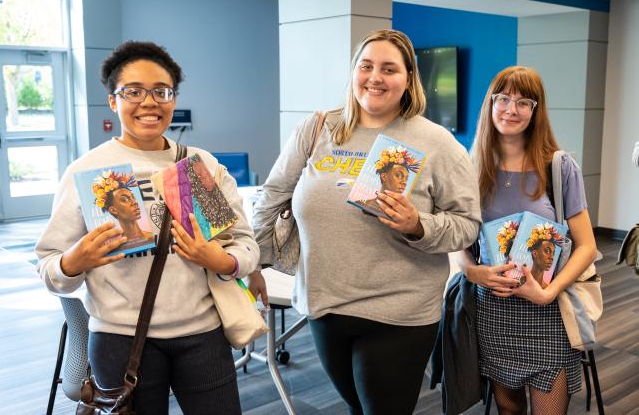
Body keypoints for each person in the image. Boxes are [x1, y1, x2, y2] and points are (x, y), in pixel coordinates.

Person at [250, 29, 481, 414]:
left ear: (408, 79)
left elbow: (466, 224)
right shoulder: (319, 128)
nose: (375, 77)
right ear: (354, 71)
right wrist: (254, 262)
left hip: (398, 311)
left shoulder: (436, 142)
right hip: (325, 305)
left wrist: (417, 225)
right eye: (366, 66)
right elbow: (271, 196)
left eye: (389, 69)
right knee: (358, 408)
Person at [36, 41, 259, 415]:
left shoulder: (196, 165)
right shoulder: (88, 174)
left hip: (202, 334)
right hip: (120, 339)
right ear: (113, 101)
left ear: (173, 98)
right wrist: (74, 261)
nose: (149, 102)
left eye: (161, 91)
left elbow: (245, 247)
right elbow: (49, 267)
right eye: (133, 92)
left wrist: (220, 260)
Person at [457, 66, 597, 414]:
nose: (511, 109)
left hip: (549, 311)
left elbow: (588, 246)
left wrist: (548, 292)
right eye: (502, 99)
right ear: (490, 104)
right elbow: (458, 240)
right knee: (509, 411)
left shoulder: (559, 166)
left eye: (523, 102)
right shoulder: (471, 166)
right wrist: (471, 271)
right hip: (493, 310)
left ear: (536, 111)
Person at [94, 170, 154, 248]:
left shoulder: (151, 238)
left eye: (133, 197)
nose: (134, 202)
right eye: (124, 199)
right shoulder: (114, 247)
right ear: (113, 210)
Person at [355, 145, 420, 216]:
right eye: (398, 175)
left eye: (406, 178)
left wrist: (416, 225)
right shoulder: (360, 203)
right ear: (384, 176)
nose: (404, 182)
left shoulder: (403, 214)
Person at [527, 224, 560, 289]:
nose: (552, 257)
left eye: (553, 253)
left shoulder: (548, 288)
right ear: (535, 253)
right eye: (547, 251)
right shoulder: (517, 281)